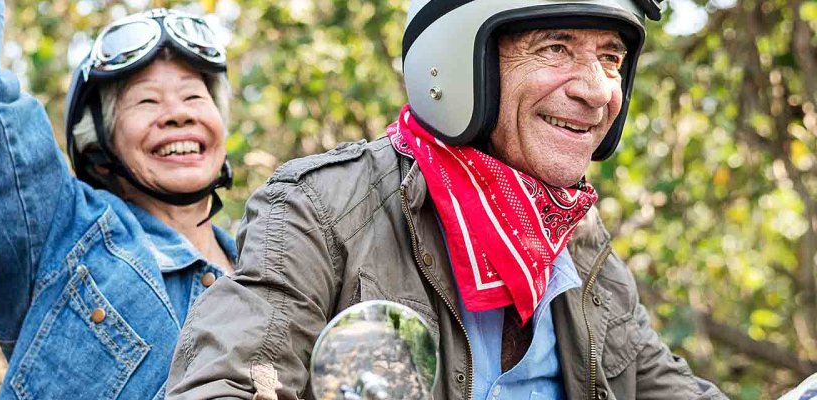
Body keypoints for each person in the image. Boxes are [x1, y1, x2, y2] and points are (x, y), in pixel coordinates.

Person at [167, 1, 728, 399]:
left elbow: (669, 387)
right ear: (459, 63)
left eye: (610, 58)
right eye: (557, 48)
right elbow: (230, 381)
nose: (597, 90)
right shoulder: (325, 208)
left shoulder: (577, 247)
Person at [0, 0, 237, 398]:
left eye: (194, 98)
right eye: (147, 101)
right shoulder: (63, 232)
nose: (177, 114)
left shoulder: (279, 269)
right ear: (98, 144)